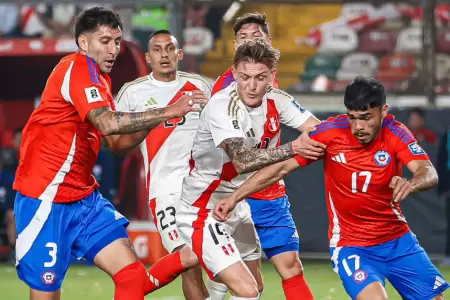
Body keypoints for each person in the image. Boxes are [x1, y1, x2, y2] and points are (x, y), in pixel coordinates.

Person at [13, 7, 206, 300]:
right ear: (83, 43)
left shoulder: (100, 79)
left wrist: (162, 119)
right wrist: (170, 109)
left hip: (84, 198)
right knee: (46, 295)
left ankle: (188, 256)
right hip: (45, 198)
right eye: (105, 40)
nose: (113, 48)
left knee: (132, 277)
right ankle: (187, 257)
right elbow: (108, 123)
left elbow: (115, 144)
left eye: (117, 41)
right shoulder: (77, 68)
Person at [214, 76, 449, 300]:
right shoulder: (330, 134)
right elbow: (280, 168)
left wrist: (411, 182)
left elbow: (427, 172)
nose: (358, 126)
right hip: (353, 246)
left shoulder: (395, 132)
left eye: (366, 117)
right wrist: (235, 197)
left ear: (383, 112)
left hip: (399, 242)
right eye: (352, 117)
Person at [209, 12, 314, 300]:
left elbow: (314, 128)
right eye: (243, 38)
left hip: (267, 191)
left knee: (289, 265)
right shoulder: (224, 91)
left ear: (268, 42)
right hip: (227, 189)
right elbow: (233, 154)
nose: (249, 42)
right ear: (234, 48)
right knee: (230, 277)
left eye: (255, 37)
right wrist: (293, 149)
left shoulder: (275, 90)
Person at [114, 29, 211, 299]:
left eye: (170, 48)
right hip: (164, 189)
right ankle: (132, 291)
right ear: (147, 57)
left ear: (180, 54)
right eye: (157, 49)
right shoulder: (133, 93)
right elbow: (115, 141)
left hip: (202, 188)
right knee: (187, 259)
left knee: (207, 264)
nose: (164, 54)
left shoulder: (200, 86)